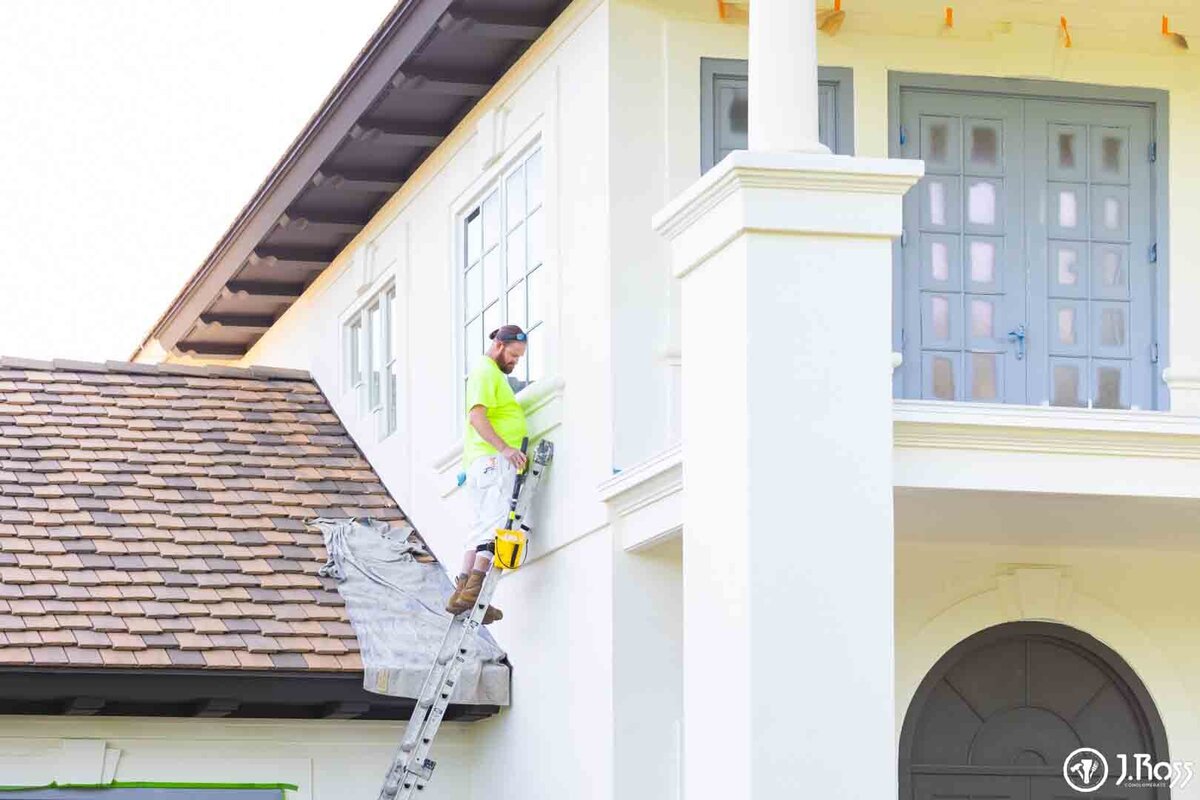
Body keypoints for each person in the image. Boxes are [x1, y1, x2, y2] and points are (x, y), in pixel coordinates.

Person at [445, 324, 529, 623]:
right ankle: (474, 594)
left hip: (481, 464)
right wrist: (506, 448)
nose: (515, 362)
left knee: (479, 528)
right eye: (514, 355)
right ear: (499, 346)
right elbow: (476, 417)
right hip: (493, 461)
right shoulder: (485, 372)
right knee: (494, 528)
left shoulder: (488, 373)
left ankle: (463, 591)